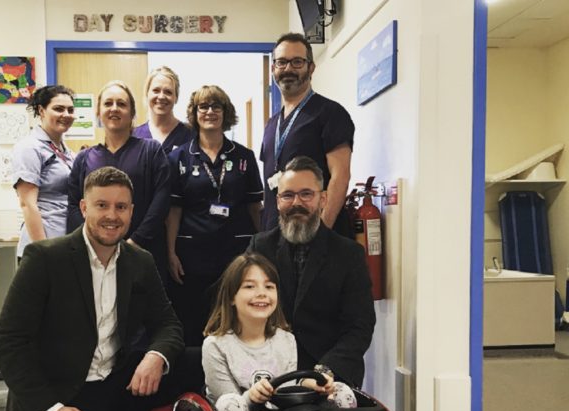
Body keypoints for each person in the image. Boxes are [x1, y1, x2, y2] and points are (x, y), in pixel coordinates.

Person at [0, 167, 184, 411]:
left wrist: (156, 356)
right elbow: (9, 344)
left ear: (131, 211)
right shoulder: (45, 259)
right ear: (84, 208)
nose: (112, 216)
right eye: (102, 205)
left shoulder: (139, 262)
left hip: (112, 382)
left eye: (122, 207)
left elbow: (168, 323)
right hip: (61, 394)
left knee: (189, 361)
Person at [248, 156, 375, 388]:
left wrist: (324, 372)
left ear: (323, 199)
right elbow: (242, 312)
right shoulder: (259, 247)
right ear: (277, 201)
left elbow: (360, 326)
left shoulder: (349, 255)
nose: (297, 203)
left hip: (331, 375)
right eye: (288, 195)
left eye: (306, 194)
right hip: (270, 373)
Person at [202, 252, 356, 411]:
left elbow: (287, 390)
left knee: (341, 391)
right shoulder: (215, 346)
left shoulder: (286, 340)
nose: (262, 293)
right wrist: (251, 397)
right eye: (249, 286)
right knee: (228, 403)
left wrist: (310, 385)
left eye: (269, 286)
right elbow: (229, 409)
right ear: (232, 297)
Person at [166, 85, 264, 345]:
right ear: (195, 113)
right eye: (203, 107)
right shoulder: (179, 157)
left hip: (236, 251)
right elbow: (174, 209)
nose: (210, 112)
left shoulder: (244, 156)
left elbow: (255, 206)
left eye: (216, 106)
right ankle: (195, 382)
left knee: (235, 320)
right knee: (194, 322)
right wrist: (171, 252)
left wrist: (263, 248)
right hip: (192, 254)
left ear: (225, 112)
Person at [66, 80, 171, 277]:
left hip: (144, 251)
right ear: (98, 112)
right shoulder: (85, 158)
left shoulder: (151, 150)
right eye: (108, 103)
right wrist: (91, 244)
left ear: (132, 113)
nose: (114, 109)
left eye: (121, 104)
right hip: (95, 256)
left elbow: (162, 200)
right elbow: (73, 204)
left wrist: (135, 242)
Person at [261, 32, 355, 235]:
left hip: (315, 236)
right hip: (276, 238)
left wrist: (322, 234)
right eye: (282, 62)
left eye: (297, 62)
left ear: (311, 67)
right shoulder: (271, 125)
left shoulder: (329, 113)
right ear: (273, 69)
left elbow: (341, 176)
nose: (288, 69)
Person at [12, 85, 76, 258]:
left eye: (70, 110)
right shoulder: (29, 147)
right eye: (58, 109)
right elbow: (27, 204)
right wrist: (43, 251)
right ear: (41, 110)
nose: (66, 114)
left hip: (64, 242)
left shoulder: (68, 152)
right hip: (43, 246)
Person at [132, 66, 192, 154]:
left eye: (168, 92)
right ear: (147, 94)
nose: (161, 97)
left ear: (176, 97)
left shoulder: (190, 135)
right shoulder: (134, 136)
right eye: (156, 90)